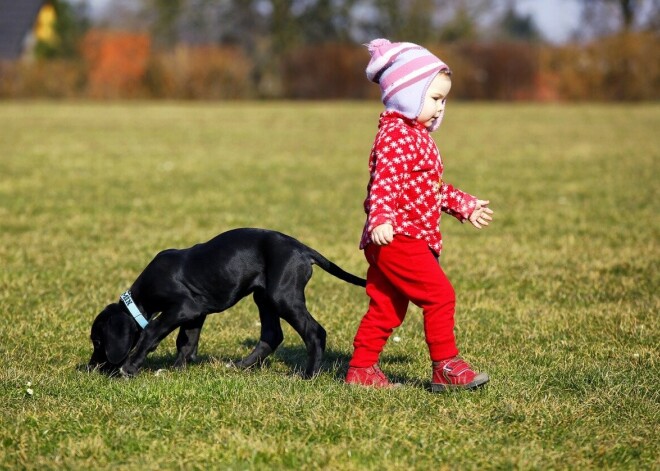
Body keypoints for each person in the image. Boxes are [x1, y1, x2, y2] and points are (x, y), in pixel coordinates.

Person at [345, 39, 494, 391]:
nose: (441, 107)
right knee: (440, 296)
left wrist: (464, 205)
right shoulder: (397, 136)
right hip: (398, 237)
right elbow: (385, 181)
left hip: (404, 236)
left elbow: (431, 187)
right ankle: (446, 365)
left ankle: (361, 369)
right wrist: (381, 218)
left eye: (444, 100)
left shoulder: (417, 135)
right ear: (408, 95)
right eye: (435, 98)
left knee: (387, 307)